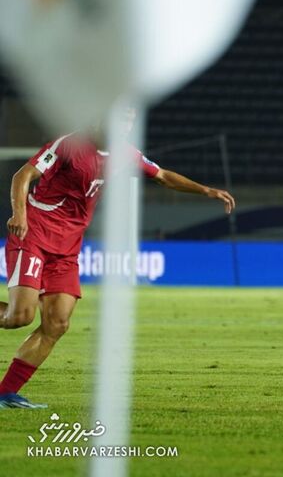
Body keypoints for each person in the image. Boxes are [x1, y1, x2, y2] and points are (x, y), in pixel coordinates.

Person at [0, 110, 235, 408]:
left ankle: (5, 393)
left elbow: (162, 175)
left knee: (57, 323)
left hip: (68, 248)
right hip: (34, 234)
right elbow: (24, 175)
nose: (126, 126)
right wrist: (19, 213)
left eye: (130, 120)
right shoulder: (70, 144)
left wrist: (206, 190)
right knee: (20, 316)